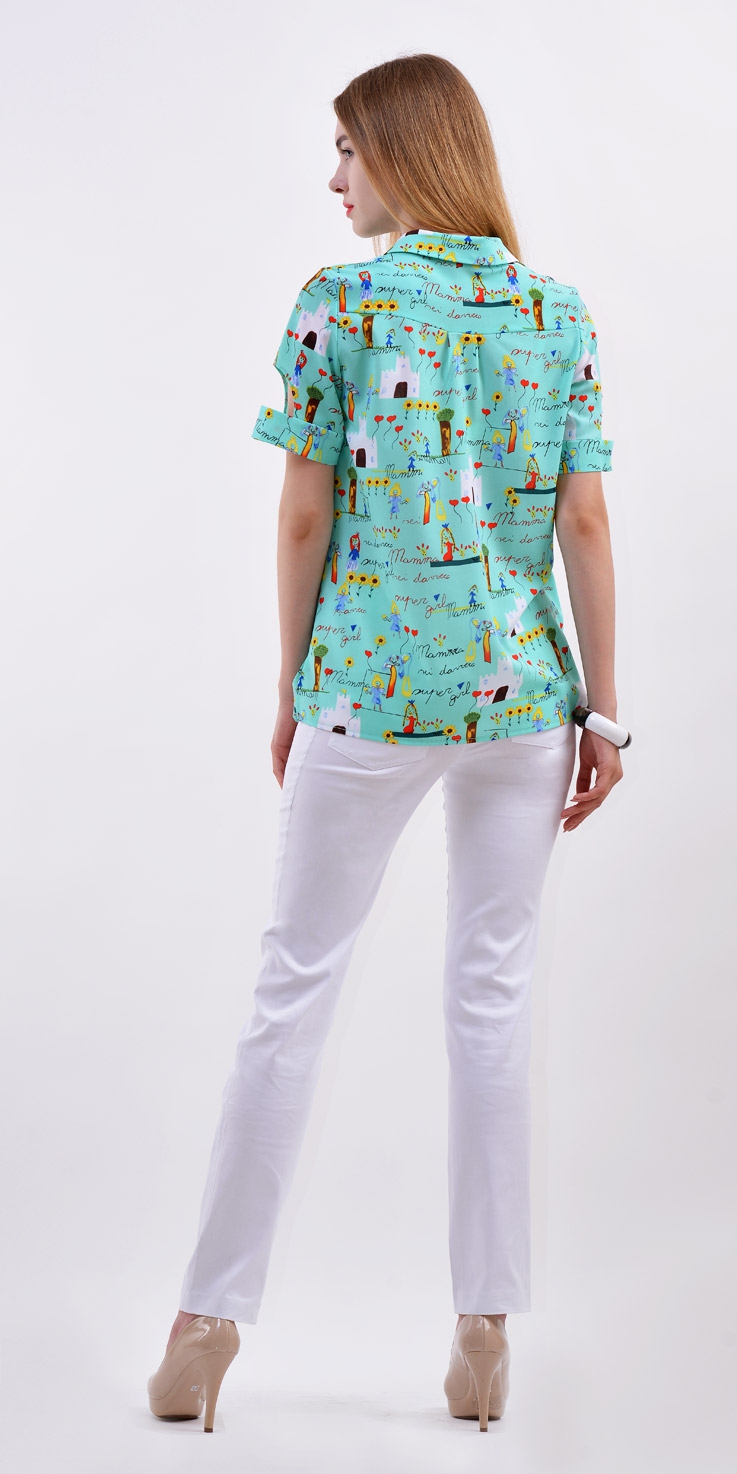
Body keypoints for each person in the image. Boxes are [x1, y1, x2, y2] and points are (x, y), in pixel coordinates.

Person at [147, 52, 625, 1434]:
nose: (333, 176)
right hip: (522, 707)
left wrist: (290, 682)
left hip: (366, 694)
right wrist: (601, 709)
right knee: (493, 997)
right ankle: (484, 1329)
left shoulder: (340, 304)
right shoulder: (555, 310)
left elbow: (304, 514)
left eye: (348, 148)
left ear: (405, 153)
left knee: (292, 989)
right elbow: (585, 520)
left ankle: (206, 1328)